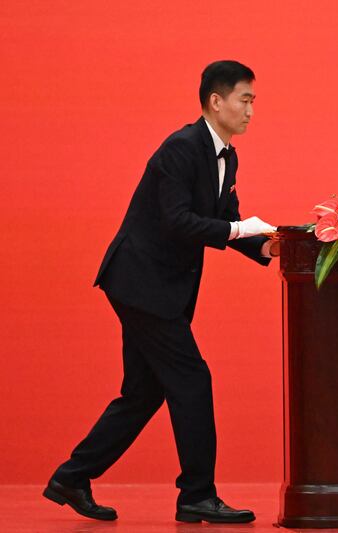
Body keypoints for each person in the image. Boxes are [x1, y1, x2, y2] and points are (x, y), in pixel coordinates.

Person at [43, 60, 275, 524]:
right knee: (192, 381)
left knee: (143, 393)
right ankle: (197, 495)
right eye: (245, 100)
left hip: (156, 287)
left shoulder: (226, 154)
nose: (252, 110)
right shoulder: (181, 149)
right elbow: (180, 222)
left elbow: (229, 218)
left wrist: (275, 247)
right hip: (141, 283)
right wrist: (236, 228)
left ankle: (72, 476)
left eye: (253, 102)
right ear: (216, 101)